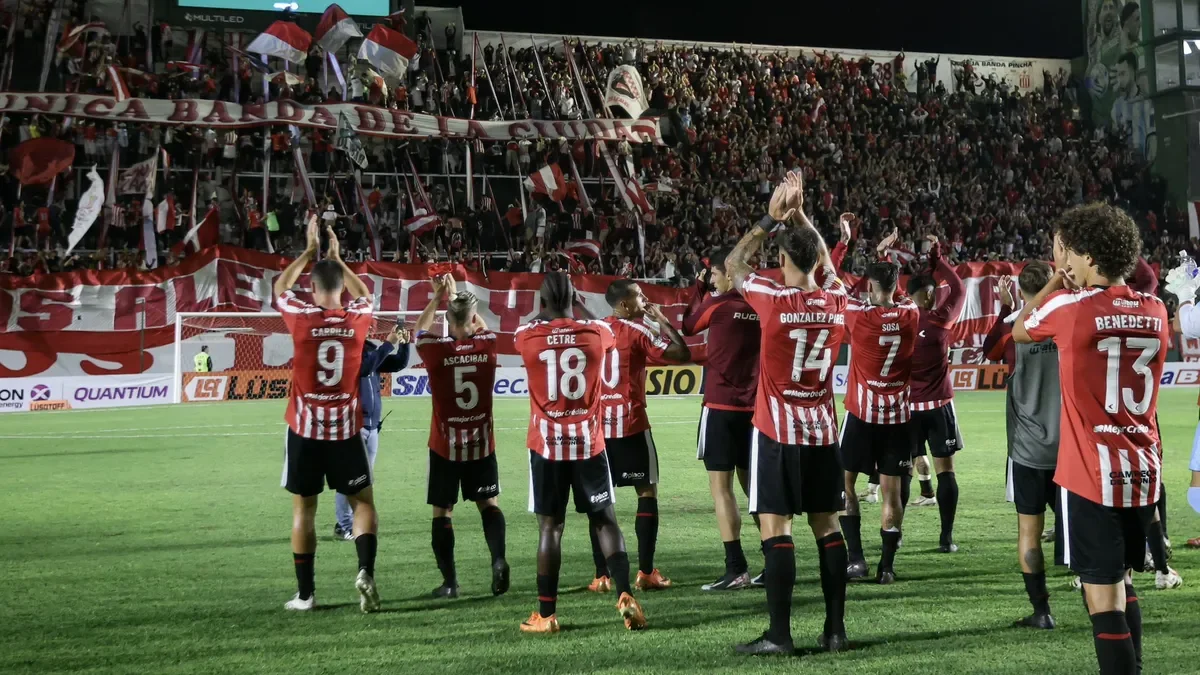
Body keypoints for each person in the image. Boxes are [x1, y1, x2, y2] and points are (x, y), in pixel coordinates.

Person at [1012, 203, 1168, 675]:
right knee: (1122, 580)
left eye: (1070, 253)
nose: (1065, 262)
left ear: (1087, 256)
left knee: (1102, 598)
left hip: (1092, 475)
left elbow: (1021, 330)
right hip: (1142, 472)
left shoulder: (1070, 308)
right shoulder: (1157, 310)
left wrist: (1057, 280)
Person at [726, 173, 850, 655]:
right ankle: (835, 631)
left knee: (776, 529)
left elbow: (733, 264)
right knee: (828, 526)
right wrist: (800, 218)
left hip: (776, 433)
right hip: (822, 432)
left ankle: (779, 635)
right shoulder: (837, 301)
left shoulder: (773, 300)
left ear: (780, 261)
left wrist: (769, 219)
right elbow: (821, 256)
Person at [514, 271, 646, 633]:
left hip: (547, 447)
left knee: (550, 528)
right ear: (574, 300)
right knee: (606, 521)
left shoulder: (526, 336)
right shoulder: (597, 334)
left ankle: (546, 614)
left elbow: (530, 325)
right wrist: (575, 310)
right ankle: (625, 595)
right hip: (589, 444)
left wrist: (550, 312)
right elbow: (592, 324)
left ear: (541, 304)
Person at [273, 216, 380, 613]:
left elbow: (280, 287)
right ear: (341, 289)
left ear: (314, 288)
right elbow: (366, 293)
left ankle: (306, 595)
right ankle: (365, 571)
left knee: (305, 510)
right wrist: (339, 258)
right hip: (345, 431)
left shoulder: (301, 316)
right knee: (363, 504)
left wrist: (307, 250)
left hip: (304, 429)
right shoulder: (358, 317)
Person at [584, 279, 690, 594]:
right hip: (630, 425)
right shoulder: (640, 331)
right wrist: (664, 322)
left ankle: (601, 576)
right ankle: (645, 572)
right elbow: (681, 354)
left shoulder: (594, 330)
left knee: (599, 501)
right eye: (638, 295)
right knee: (646, 492)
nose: (645, 298)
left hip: (598, 428)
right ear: (625, 305)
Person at [834, 224, 920, 585]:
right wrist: (886, 260)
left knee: (845, 485)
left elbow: (837, 280)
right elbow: (896, 293)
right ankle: (887, 566)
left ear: (871, 286)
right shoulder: (911, 314)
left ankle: (856, 560)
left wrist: (850, 245)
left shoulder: (859, 316)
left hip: (861, 417)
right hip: (898, 420)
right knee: (892, 492)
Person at [413, 274, 509, 598]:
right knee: (489, 505)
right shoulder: (488, 344)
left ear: (448, 320)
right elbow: (479, 327)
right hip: (482, 445)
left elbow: (419, 332)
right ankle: (497, 561)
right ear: (471, 317)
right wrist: (462, 303)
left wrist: (439, 297)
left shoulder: (436, 351)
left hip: (445, 447)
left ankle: (451, 583)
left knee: (443, 512)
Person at [982, 261, 1061, 629]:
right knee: (1081, 523)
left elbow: (990, 351)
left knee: (1029, 531)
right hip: (1070, 448)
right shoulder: (1068, 320)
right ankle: (1100, 593)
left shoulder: (1014, 332)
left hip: (1028, 450)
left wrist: (1005, 306)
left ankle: (1042, 611)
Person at [681, 249, 764, 591]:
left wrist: (699, 289)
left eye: (714, 274)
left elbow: (688, 325)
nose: (712, 279)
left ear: (729, 275)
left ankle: (736, 568)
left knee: (722, 490)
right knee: (755, 491)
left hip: (719, 406)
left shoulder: (718, 304)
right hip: (755, 410)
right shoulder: (762, 305)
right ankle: (774, 560)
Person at [905, 234, 966, 554]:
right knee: (947, 471)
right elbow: (958, 288)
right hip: (940, 405)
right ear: (925, 295)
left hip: (908, 407)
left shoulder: (899, 320)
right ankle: (946, 537)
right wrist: (938, 260)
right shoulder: (941, 319)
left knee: (900, 472)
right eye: (931, 294)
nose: (933, 298)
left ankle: (895, 535)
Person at [332, 326, 411, 541]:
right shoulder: (348, 349)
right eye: (366, 323)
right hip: (355, 425)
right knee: (349, 477)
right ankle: (344, 525)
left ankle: (351, 522)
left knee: (362, 480)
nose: (369, 327)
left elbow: (398, 364)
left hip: (372, 426)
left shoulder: (368, 348)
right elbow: (365, 368)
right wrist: (388, 343)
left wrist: (404, 344)